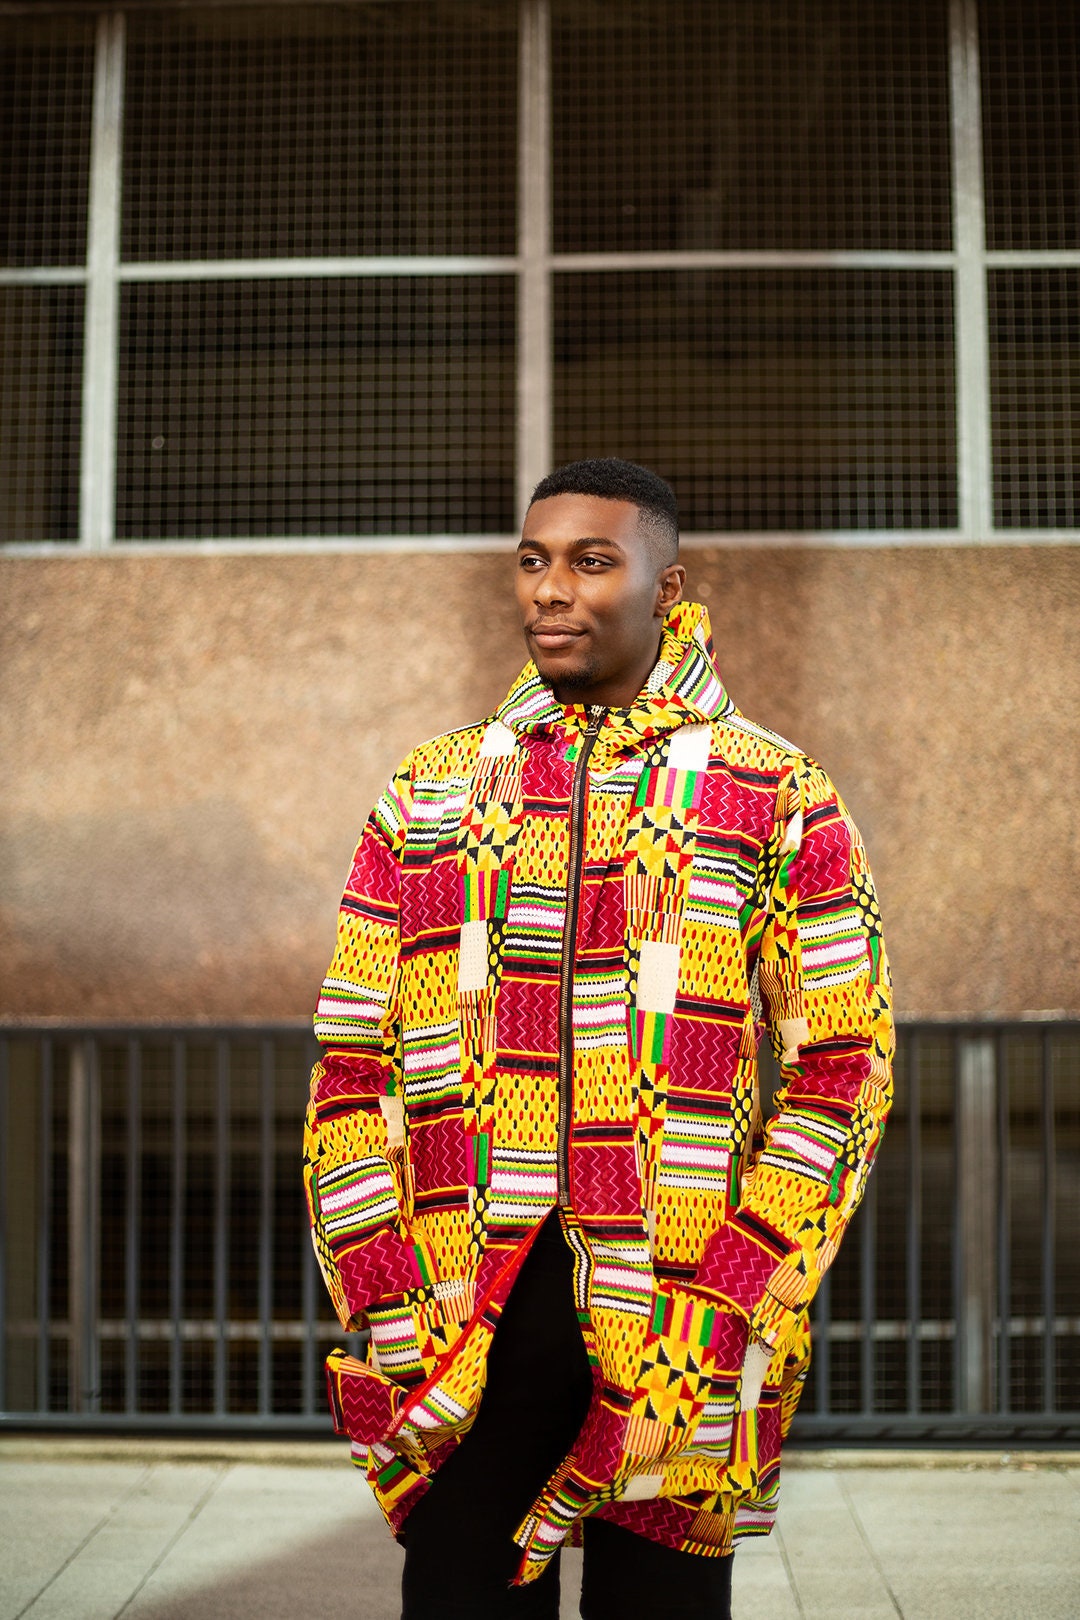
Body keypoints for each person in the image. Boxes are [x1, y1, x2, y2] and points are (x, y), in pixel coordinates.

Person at [303, 458, 894, 1620]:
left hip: (678, 1326)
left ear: (667, 587)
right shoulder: (428, 792)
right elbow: (348, 1062)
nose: (551, 589)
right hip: (462, 1330)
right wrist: (383, 1289)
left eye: (590, 560)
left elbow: (843, 1063)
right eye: (533, 560)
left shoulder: (774, 793)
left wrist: (734, 1294)